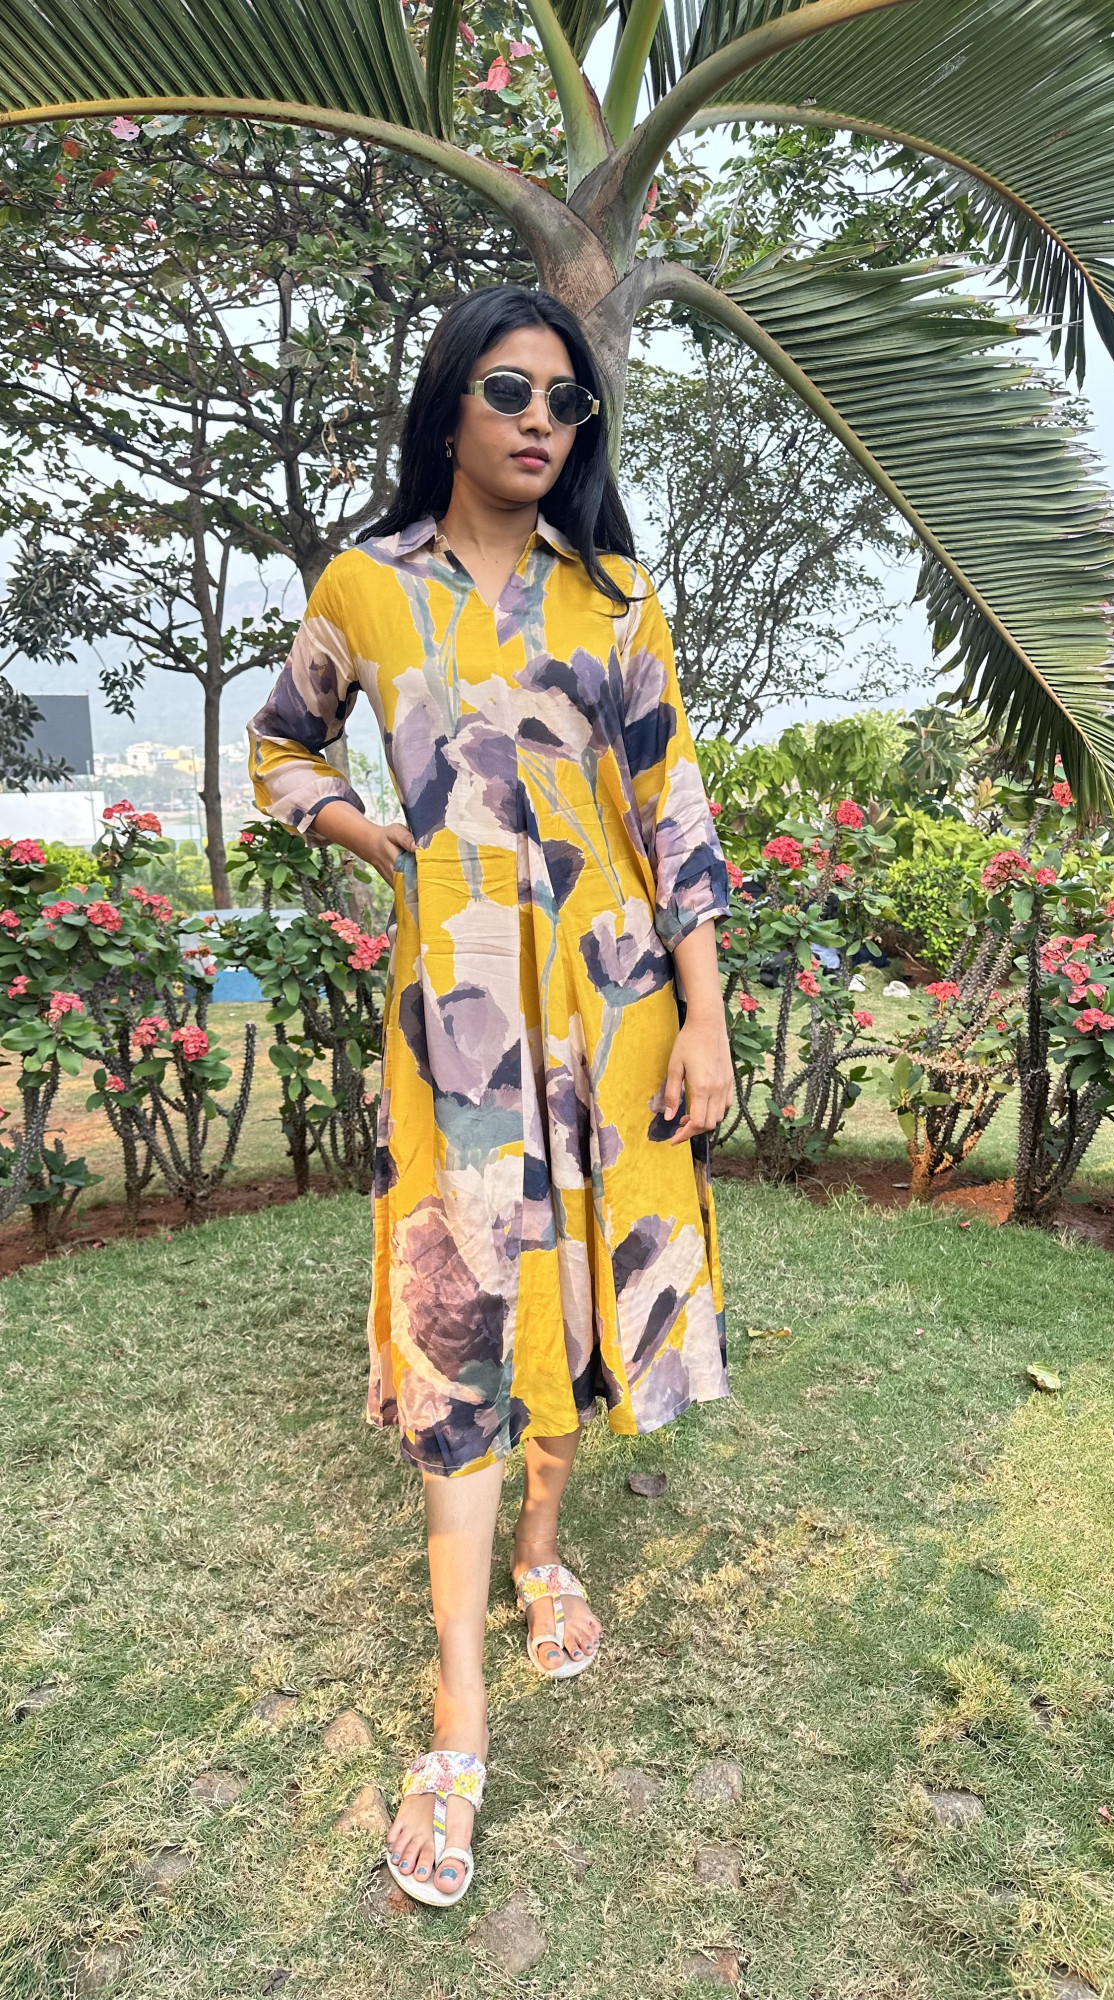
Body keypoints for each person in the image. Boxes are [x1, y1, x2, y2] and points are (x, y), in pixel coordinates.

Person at [247, 284, 734, 1907]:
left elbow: (673, 813)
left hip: (614, 1008)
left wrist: (705, 1020)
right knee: (457, 1316)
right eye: (511, 390)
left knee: (582, 1298)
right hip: (453, 1022)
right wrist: (366, 835)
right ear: (450, 402)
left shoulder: (614, 597)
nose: (540, 421)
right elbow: (280, 746)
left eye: (566, 402)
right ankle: (455, 1728)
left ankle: (541, 1554)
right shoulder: (365, 587)